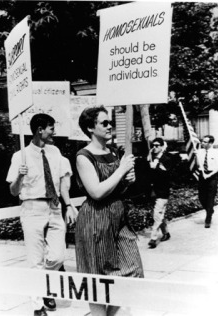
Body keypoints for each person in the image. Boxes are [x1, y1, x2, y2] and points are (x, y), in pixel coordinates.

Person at [75, 106, 144, 316]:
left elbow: (116, 188)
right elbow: (96, 192)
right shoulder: (83, 156)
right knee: (97, 281)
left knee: (132, 271)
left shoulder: (112, 152)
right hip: (96, 220)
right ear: (90, 127)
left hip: (118, 218)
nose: (109, 126)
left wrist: (127, 181)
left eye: (109, 122)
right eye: (103, 123)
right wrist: (121, 170)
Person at [6, 113, 77, 316]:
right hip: (32, 209)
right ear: (40, 130)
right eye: (51, 128)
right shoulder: (20, 156)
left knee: (58, 256)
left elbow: (64, 181)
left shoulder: (55, 152)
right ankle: (38, 306)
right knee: (35, 260)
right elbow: (13, 191)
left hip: (54, 209)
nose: (54, 132)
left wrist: (68, 205)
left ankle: (45, 283)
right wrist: (20, 175)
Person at [147, 137, 172, 249]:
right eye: (153, 145)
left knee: (157, 214)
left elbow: (166, 176)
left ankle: (153, 238)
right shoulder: (150, 158)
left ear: (162, 146)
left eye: (157, 145)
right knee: (158, 214)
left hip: (162, 192)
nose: (155, 147)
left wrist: (156, 167)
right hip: (153, 192)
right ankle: (165, 233)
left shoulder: (167, 159)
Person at [196, 135, 218, 228]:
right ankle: (209, 210)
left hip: (212, 177)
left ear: (211, 143)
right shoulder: (199, 152)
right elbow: (198, 164)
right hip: (202, 176)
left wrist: (209, 175)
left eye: (205, 142)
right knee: (201, 197)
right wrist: (196, 157)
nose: (202, 143)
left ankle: (208, 219)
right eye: (202, 141)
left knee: (210, 197)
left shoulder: (215, 152)